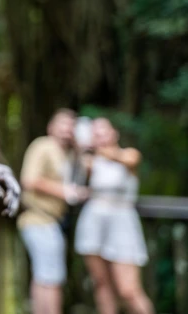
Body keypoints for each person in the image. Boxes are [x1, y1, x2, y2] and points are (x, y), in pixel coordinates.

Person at [75, 118, 153, 314]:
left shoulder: (129, 155)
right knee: (101, 285)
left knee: (129, 290)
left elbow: (128, 160)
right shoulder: (90, 162)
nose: (99, 137)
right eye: (95, 133)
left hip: (122, 223)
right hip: (93, 220)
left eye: (103, 132)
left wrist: (93, 148)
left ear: (114, 133)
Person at [18, 109, 88, 314]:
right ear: (51, 127)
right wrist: (66, 192)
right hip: (38, 219)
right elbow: (29, 180)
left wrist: (81, 148)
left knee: (45, 278)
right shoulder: (43, 145)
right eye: (62, 124)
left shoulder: (70, 154)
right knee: (52, 280)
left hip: (51, 222)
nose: (67, 129)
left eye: (71, 125)